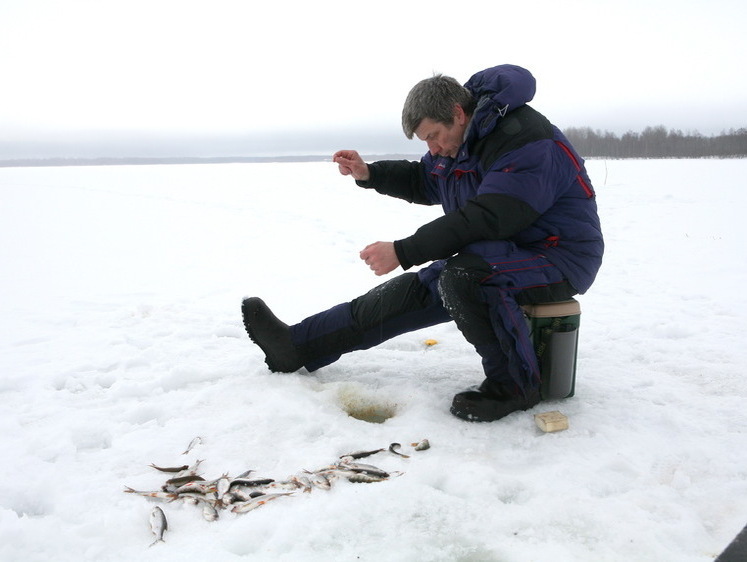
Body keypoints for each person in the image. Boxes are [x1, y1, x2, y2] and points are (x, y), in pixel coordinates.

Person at [242, 64, 603, 422]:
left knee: (465, 278)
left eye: (433, 136)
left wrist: (403, 250)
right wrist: (370, 174)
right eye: (424, 141)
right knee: (412, 293)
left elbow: (492, 215)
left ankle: (515, 386)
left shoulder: (525, 138)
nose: (432, 148)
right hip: (498, 255)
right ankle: (296, 347)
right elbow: (425, 179)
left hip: (559, 255)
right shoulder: (460, 144)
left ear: (458, 114)